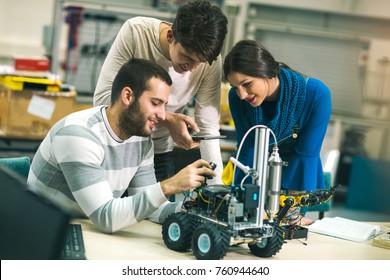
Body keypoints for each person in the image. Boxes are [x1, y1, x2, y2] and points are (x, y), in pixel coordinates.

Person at [27, 58, 216, 233]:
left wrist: (194, 208)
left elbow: (151, 208)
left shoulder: (140, 139)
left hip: (85, 228)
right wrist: (170, 185)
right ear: (127, 96)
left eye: (164, 105)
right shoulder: (78, 134)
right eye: (155, 103)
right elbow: (105, 217)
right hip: (42, 231)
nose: (162, 114)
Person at [93, 0, 228, 187]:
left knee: (159, 216)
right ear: (171, 35)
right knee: (110, 213)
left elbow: (208, 129)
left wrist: (216, 187)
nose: (191, 69)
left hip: (158, 154)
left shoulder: (210, 60)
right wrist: (167, 119)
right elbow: (103, 100)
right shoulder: (136, 32)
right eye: (187, 58)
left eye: (200, 62)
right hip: (115, 148)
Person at [223, 40, 332, 225]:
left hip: (293, 187)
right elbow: (247, 148)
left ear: (266, 72)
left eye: (246, 84)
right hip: (254, 180)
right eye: (235, 87)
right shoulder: (237, 98)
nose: (241, 94)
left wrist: (289, 212)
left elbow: (305, 154)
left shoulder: (316, 95)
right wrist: (241, 202)